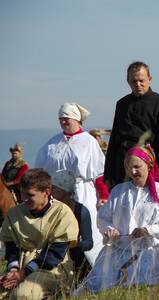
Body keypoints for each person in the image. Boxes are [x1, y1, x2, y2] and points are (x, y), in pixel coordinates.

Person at [75, 145, 159, 294]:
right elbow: (104, 218)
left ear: (149, 165)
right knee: (100, 287)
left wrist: (148, 230)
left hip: (148, 252)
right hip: (117, 252)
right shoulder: (119, 190)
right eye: (129, 167)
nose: (133, 172)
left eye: (137, 167)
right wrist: (110, 230)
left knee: (145, 285)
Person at [35, 102, 108, 266]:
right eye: (60, 119)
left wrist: (103, 195)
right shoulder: (52, 143)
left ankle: (94, 267)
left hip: (82, 191)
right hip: (56, 193)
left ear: (76, 119)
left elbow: (98, 172)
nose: (63, 122)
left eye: (66, 118)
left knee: (87, 230)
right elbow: (40, 170)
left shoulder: (88, 141)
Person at [0, 169, 79, 299]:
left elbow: (55, 254)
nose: (24, 199)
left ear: (46, 192)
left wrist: (24, 273)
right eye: (22, 194)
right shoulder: (15, 213)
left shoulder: (62, 213)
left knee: (22, 295)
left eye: (30, 195)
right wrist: (13, 270)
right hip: (21, 266)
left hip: (51, 269)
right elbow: (11, 246)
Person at [104, 61, 159, 189]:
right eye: (133, 81)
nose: (138, 84)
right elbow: (114, 140)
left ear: (150, 79)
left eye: (141, 80)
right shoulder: (122, 104)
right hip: (123, 167)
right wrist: (108, 174)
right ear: (128, 81)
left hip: (149, 167)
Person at [50, 169, 93, 278]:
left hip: (74, 257)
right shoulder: (48, 210)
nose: (50, 191)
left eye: (54, 188)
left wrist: (77, 246)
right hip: (51, 255)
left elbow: (89, 242)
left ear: (65, 190)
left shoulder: (81, 211)